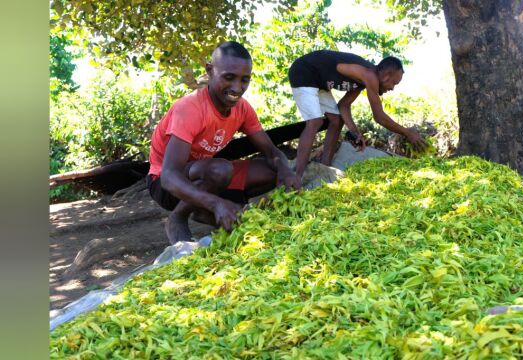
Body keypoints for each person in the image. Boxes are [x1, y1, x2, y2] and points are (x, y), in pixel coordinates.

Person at [147, 41, 301, 244]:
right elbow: (168, 176)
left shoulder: (242, 109)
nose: (237, 88)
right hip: (165, 184)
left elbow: (271, 151)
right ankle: (178, 217)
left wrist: (286, 170)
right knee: (220, 169)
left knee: (273, 171)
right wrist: (216, 203)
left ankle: (204, 212)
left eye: (244, 80)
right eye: (229, 77)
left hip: (204, 176)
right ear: (210, 71)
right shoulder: (190, 108)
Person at [288, 50, 427, 180]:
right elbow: (379, 117)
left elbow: (344, 105)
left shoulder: (362, 81)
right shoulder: (368, 75)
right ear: (386, 76)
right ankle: (297, 177)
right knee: (315, 122)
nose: (392, 88)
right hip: (304, 71)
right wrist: (407, 132)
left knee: (336, 120)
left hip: (319, 81)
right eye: (394, 83)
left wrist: (355, 132)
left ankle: (325, 168)